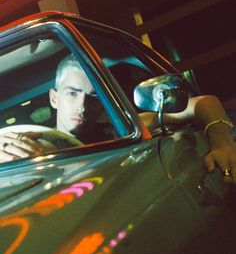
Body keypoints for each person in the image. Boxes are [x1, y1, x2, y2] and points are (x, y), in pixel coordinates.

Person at [0, 54, 235, 182]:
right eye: (72, 93)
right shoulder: (29, 143)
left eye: (93, 97)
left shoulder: (121, 131)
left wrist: (223, 143)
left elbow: (205, 102)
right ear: (54, 98)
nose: (82, 106)